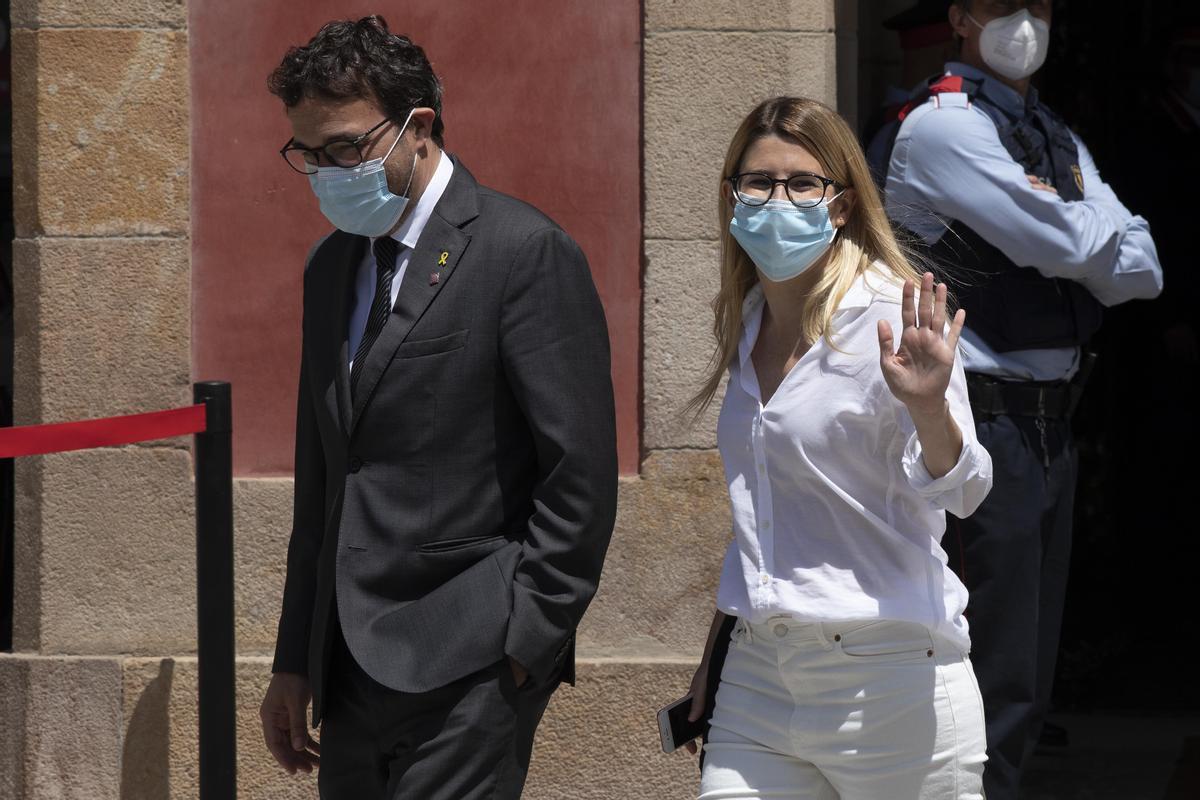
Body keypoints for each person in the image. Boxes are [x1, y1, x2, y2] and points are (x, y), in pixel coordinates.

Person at [257, 16, 618, 800]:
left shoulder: (522, 251)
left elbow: (579, 473)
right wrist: (294, 658)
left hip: (470, 658)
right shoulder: (331, 269)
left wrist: (526, 643)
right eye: (308, 155)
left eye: (346, 148)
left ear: (418, 128)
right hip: (349, 668)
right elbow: (324, 479)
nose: (326, 171)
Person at [879, 1, 1164, 797]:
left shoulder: (1056, 134)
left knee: (1026, 680)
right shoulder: (944, 127)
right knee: (986, 675)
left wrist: (1074, 224)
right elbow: (1077, 245)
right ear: (963, 16)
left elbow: (1145, 270)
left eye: (1038, 4)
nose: (1025, 21)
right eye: (1004, 3)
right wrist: (1084, 229)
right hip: (982, 421)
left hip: (1049, 426)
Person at [683, 95, 994, 800]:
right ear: (732, 196)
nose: (778, 199)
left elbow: (967, 489)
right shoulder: (746, 321)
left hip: (891, 680)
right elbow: (762, 518)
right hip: (762, 677)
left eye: (802, 183)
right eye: (758, 182)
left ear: (844, 205)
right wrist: (716, 655)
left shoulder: (896, 317)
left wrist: (927, 408)